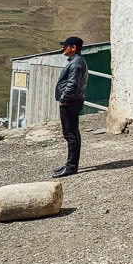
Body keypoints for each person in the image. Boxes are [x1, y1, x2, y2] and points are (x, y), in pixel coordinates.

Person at [53, 36, 88, 177]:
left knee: (70, 134)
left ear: (73, 48)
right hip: (75, 100)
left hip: (71, 102)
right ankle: (70, 164)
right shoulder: (77, 61)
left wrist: (63, 99)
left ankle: (71, 167)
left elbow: (72, 84)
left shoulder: (75, 64)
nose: (63, 48)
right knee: (73, 132)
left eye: (65, 46)